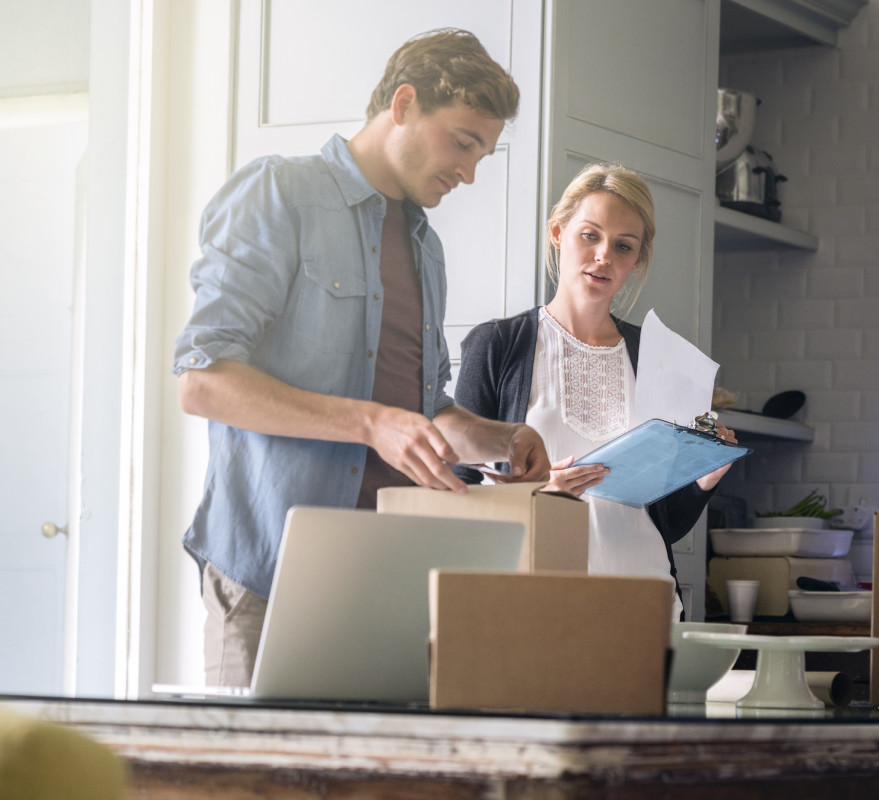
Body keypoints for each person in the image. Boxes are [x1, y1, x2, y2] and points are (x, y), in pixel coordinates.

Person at [173, 28, 551, 687]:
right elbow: (203, 383)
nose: (469, 171)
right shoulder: (278, 193)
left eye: (483, 154)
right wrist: (369, 422)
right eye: (463, 141)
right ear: (403, 104)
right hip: (267, 571)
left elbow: (425, 408)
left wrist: (500, 438)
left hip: (387, 574)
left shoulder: (425, 247)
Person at [453, 163, 736, 621]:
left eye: (623, 246)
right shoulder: (497, 346)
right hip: (531, 605)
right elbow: (454, 496)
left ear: (636, 260)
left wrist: (706, 477)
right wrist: (539, 495)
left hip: (644, 606)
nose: (605, 255)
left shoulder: (657, 358)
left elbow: (663, 522)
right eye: (591, 235)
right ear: (558, 232)